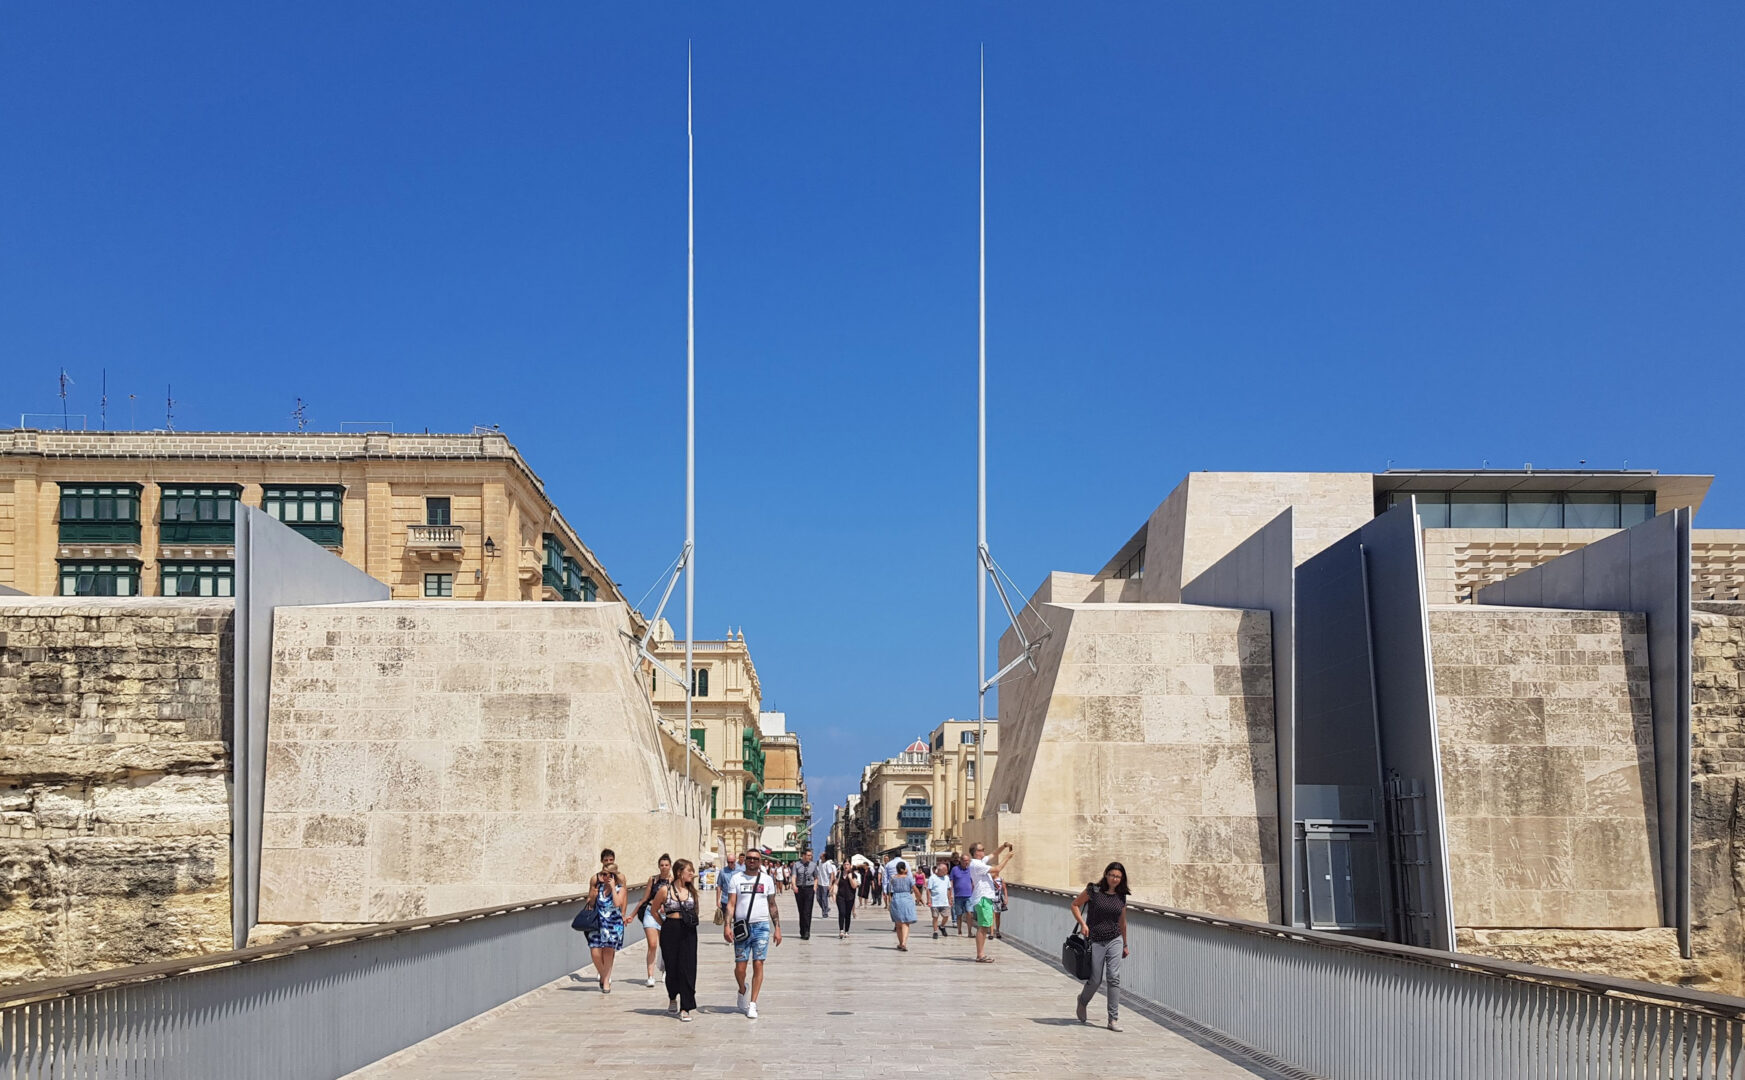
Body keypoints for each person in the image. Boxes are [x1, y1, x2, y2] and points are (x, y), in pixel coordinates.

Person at [1071, 861, 1131, 1032]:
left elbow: (1122, 922)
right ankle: (1082, 1001)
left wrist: (1125, 944)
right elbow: (1074, 905)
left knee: (1113, 977)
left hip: (1115, 939)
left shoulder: (1121, 896)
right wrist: (1083, 923)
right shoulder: (1094, 890)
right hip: (1095, 940)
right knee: (1095, 980)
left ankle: (1113, 1019)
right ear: (1106, 875)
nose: (1115, 879)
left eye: (1118, 877)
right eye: (1112, 875)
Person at [724, 850, 782, 1018]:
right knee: (740, 967)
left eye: (755, 859)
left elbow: (772, 904)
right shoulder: (737, 879)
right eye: (749, 858)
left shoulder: (767, 880)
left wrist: (777, 927)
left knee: (758, 964)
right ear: (745, 860)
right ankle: (742, 988)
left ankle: (753, 1003)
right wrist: (727, 925)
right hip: (742, 927)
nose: (751, 861)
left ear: (760, 861)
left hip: (762, 926)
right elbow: (731, 904)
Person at [653, 859, 701, 1021]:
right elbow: (654, 911)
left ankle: (686, 1006)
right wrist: (664, 925)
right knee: (672, 967)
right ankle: (672, 996)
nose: (692, 874)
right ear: (680, 872)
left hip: (688, 932)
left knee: (688, 968)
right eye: (690, 871)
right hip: (670, 930)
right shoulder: (665, 890)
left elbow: (695, 912)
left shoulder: (692, 892)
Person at [585, 850, 629, 992]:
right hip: (597, 921)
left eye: (608, 875)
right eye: (603, 874)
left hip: (613, 923)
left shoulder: (619, 886)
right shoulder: (596, 883)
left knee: (608, 952)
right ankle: (604, 975)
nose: (605, 877)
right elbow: (590, 903)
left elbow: (618, 903)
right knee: (595, 952)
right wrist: (593, 895)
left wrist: (623, 914)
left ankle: (606, 983)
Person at [967, 841, 1015, 963]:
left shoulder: (979, 862)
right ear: (976, 852)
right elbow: (997, 869)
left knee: (984, 926)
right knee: (983, 927)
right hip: (983, 897)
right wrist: (1007, 858)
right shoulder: (977, 865)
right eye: (982, 849)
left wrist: (1004, 846)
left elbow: (993, 854)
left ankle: (981, 953)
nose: (984, 851)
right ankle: (980, 954)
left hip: (985, 897)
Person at [636, 854, 673, 987]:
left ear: (670, 866)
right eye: (662, 865)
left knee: (666, 944)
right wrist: (633, 914)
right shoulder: (653, 880)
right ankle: (650, 976)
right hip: (651, 912)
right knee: (652, 945)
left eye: (666, 865)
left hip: (667, 914)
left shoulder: (674, 880)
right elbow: (644, 898)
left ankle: (666, 969)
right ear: (659, 866)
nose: (664, 867)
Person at [887, 860, 919, 950]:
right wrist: (919, 898)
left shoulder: (893, 878)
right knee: (906, 923)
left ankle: (901, 943)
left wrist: (888, 903)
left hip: (896, 899)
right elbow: (915, 889)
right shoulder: (909, 878)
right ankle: (904, 943)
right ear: (903, 868)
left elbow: (889, 892)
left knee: (898, 923)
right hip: (906, 899)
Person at [791, 846, 820, 940]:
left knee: (807, 911)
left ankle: (807, 931)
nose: (810, 857)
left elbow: (816, 877)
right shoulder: (797, 865)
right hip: (799, 889)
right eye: (808, 855)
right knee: (801, 911)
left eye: (811, 855)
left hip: (809, 889)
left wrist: (814, 888)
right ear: (803, 855)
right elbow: (794, 876)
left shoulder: (813, 865)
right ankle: (802, 930)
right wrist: (794, 886)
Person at [949, 852, 974, 936]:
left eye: (968, 861)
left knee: (969, 913)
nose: (966, 862)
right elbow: (951, 881)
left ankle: (970, 932)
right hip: (958, 896)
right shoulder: (955, 869)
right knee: (959, 914)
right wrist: (951, 894)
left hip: (969, 896)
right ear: (961, 860)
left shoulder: (971, 870)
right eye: (964, 860)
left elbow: (973, 882)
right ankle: (959, 931)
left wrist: (974, 892)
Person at [927, 860, 953, 939]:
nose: (946, 871)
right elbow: (929, 889)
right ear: (939, 870)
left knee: (946, 916)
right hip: (935, 901)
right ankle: (935, 931)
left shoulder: (946, 878)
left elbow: (949, 889)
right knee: (935, 917)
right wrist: (929, 900)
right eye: (944, 870)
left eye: (946, 870)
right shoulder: (932, 878)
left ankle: (942, 926)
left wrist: (950, 898)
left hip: (944, 901)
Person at [834, 856, 858, 937]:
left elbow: (854, 886)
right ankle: (841, 930)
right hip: (840, 896)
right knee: (842, 912)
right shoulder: (839, 873)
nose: (846, 866)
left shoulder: (853, 875)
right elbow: (836, 884)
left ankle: (847, 931)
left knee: (847, 914)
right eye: (845, 864)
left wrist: (850, 878)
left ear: (850, 865)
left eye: (848, 864)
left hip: (850, 897)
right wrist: (834, 894)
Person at [817, 851, 837, 918]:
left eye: (822, 854)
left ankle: (825, 913)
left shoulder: (827, 864)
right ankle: (826, 908)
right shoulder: (819, 862)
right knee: (818, 898)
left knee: (824, 898)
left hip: (825, 884)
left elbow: (831, 874)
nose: (820, 855)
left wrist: (830, 884)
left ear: (824, 857)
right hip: (819, 883)